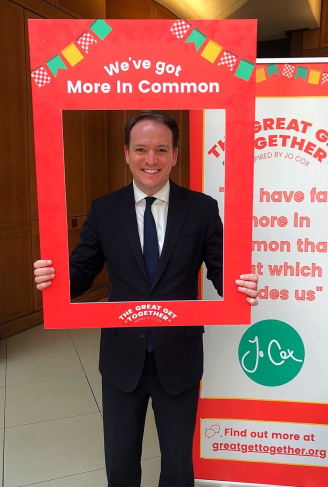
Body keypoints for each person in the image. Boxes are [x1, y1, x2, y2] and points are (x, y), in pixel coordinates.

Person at [34, 111, 258, 487]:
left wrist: (241, 285)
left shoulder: (202, 209)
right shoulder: (105, 209)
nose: (150, 160)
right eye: (141, 149)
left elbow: (221, 272)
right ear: (126, 153)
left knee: (177, 466)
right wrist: (54, 281)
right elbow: (82, 273)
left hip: (179, 357)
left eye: (160, 150)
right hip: (122, 359)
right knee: (120, 464)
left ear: (175, 155)